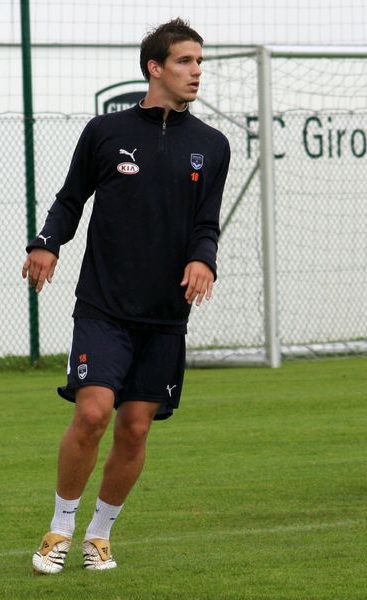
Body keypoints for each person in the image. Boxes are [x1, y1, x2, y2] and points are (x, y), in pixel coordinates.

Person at [22, 17, 230, 574]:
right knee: (93, 413)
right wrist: (46, 244)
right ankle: (60, 527)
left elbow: (205, 222)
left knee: (135, 426)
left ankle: (100, 535)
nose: (196, 72)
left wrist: (201, 258)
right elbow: (71, 200)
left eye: (200, 62)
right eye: (185, 61)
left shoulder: (212, 146)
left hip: (166, 314)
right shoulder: (104, 132)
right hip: (104, 305)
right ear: (154, 67)